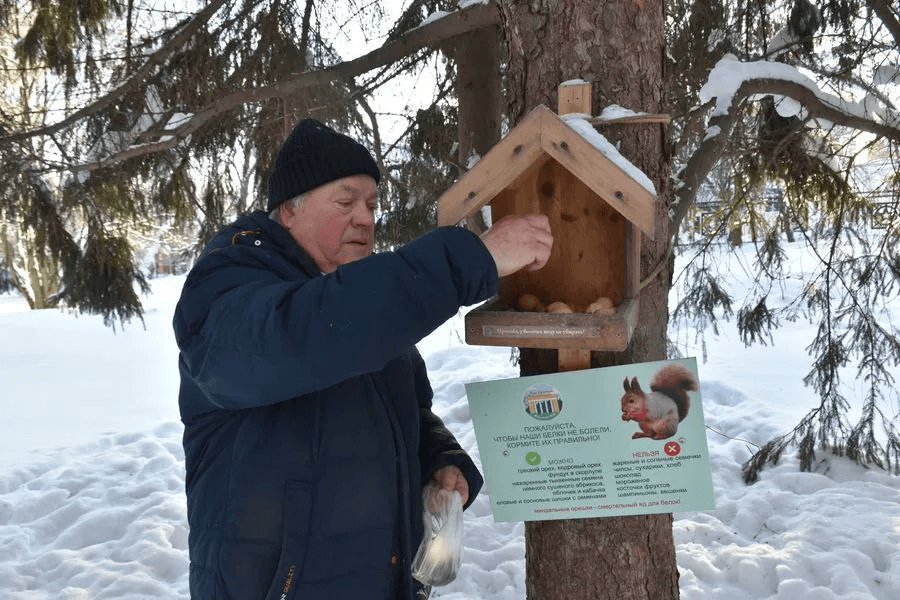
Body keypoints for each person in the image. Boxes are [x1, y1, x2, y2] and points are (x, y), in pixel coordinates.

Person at [173, 118, 553, 600]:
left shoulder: (362, 304)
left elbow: (400, 411)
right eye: (346, 200)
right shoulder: (226, 287)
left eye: (372, 204)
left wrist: (438, 460)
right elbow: (305, 335)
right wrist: (470, 260)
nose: (365, 218)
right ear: (289, 209)